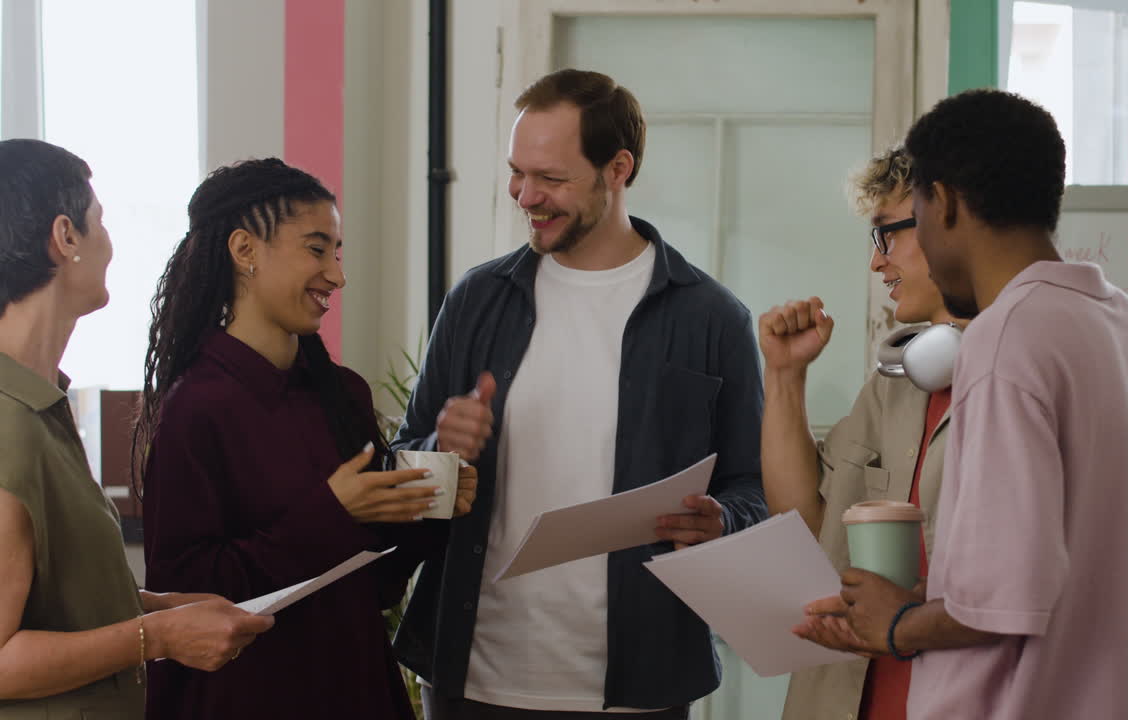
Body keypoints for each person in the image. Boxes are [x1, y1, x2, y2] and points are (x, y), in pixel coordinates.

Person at [795, 89, 1128, 719]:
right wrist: (931, 592)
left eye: (912, 215)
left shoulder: (1007, 338)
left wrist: (897, 623)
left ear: (942, 202)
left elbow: (1002, 601)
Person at [391, 68, 766, 718]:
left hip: (642, 685)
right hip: (474, 680)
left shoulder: (711, 318)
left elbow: (755, 487)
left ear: (617, 169)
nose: (525, 195)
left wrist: (722, 520)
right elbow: (404, 467)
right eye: (517, 172)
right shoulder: (477, 302)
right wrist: (437, 445)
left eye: (552, 179)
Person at [135, 158, 476, 720]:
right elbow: (186, 595)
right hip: (248, 697)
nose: (337, 275)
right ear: (245, 250)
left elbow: (377, 584)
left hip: (354, 685)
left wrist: (431, 508)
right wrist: (333, 512)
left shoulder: (342, 394)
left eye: (336, 253)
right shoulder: (195, 409)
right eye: (316, 250)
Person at [0, 139, 273, 718]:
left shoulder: (41, 403)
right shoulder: (8, 425)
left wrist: (158, 608)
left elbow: (54, 599)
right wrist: (162, 638)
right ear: (64, 237)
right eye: (99, 223)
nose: (110, 246)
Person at [762, 146, 963, 720]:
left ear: (944, 224)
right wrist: (784, 374)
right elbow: (805, 520)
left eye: (887, 237)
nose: (877, 264)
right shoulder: (895, 381)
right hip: (846, 696)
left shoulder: (1017, 383)